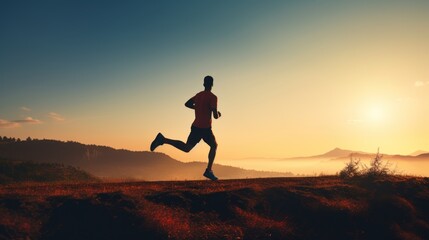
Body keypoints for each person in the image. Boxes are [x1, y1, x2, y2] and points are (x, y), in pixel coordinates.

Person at [150, 75, 221, 180]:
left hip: (196, 127)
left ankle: (163, 139)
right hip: (205, 129)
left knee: (187, 148)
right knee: (214, 146)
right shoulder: (213, 97)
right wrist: (218, 113)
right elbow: (215, 116)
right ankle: (208, 171)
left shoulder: (198, 95)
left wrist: (197, 107)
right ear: (212, 84)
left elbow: (187, 104)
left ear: (203, 84)